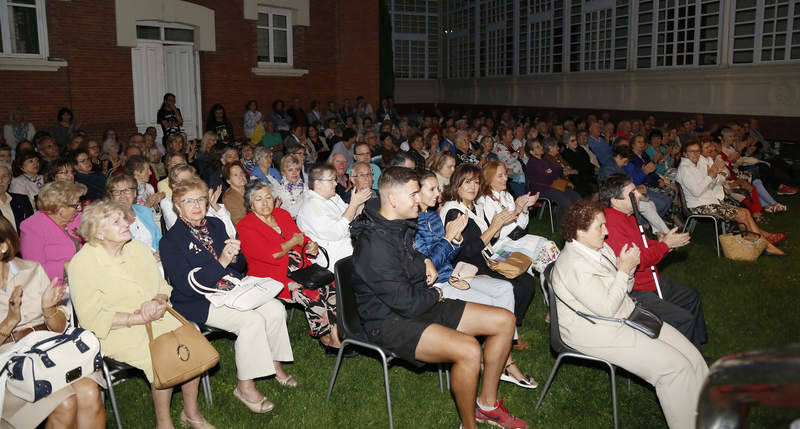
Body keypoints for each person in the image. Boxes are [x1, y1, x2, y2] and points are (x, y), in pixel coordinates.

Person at [351, 167, 528, 429]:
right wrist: (438, 291)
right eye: (413, 194)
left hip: (417, 300)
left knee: (505, 320)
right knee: (469, 349)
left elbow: (411, 258)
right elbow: (407, 304)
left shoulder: (397, 222)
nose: (419, 199)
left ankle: (487, 406)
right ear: (392, 199)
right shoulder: (374, 245)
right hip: (389, 321)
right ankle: (469, 426)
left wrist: (424, 260)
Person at [551, 200, 709, 429]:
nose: (606, 232)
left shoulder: (599, 248)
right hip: (595, 330)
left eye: (605, 224)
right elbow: (607, 308)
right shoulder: (574, 265)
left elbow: (624, 288)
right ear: (580, 231)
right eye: (600, 227)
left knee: (693, 358)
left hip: (624, 313)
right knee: (674, 370)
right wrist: (624, 270)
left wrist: (628, 270)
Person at [69, 200, 213, 429]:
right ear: (98, 232)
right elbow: (91, 318)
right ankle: (164, 423)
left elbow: (163, 287)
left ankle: (191, 412)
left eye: (123, 218)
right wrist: (137, 319)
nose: (125, 223)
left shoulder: (137, 248)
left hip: (157, 316)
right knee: (162, 358)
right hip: (115, 330)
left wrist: (157, 300)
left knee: (191, 346)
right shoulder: (82, 264)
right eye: (116, 222)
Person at [160, 178, 294, 415]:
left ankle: (275, 364)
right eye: (188, 201)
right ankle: (245, 387)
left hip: (231, 289)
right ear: (177, 206)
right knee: (251, 321)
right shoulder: (171, 241)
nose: (196, 205)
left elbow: (239, 266)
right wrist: (222, 261)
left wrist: (234, 256)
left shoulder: (215, 224)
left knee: (275, 309)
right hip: (198, 301)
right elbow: (185, 286)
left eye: (201, 199)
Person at [415, 172, 536, 389]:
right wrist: (449, 239)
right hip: (438, 285)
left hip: (455, 274)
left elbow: (450, 255)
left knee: (504, 288)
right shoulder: (415, 223)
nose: (438, 193)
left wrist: (455, 240)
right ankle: (504, 362)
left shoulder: (432, 216)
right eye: (432, 189)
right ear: (416, 193)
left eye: (437, 188)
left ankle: (502, 354)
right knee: (493, 308)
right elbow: (429, 266)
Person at [0, 216, 105, 429]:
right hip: (9, 361)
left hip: (48, 350)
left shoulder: (31, 270)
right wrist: (10, 321)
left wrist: (49, 311)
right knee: (65, 404)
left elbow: (60, 328)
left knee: (89, 392)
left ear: (3, 246)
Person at [237, 181, 350, 357]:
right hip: (274, 275)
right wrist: (294, 242)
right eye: (258, 199)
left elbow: (301, 238)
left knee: (332, 285)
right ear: (250, 204)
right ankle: (325, 338)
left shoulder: (281, 214)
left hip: (301, 268)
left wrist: (311, 246)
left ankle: (336, 333)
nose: (265, 203)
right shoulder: (245, 226)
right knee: (312, 293)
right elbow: (273, 255)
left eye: (268, 197)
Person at [600, 174, 708, 350]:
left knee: (691, 296)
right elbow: (638, 259)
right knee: (683, 320)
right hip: (635, 290)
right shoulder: (611, 224)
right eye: (632, 193)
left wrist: (662, 243)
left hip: (651, 281)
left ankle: (697, 347)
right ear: (615, 200)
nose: (639, 195)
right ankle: (683, 360)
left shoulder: (628, 216)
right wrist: (665, 246)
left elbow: (642, 244)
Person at [440, 164, 537, 331]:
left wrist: (499, 226)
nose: (473, 187)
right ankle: (506, 329)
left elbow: (490, 239)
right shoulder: (454, 212)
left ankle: (511, 325)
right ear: (457, 184)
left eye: (476, 182)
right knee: (516, 286)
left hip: (486, 257)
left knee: (527, 280)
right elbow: (466, 252)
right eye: (467, 182)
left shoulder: (475, 207)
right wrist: (493, 227)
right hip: (467, 267)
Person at [676, 139, 786, 256]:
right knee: (742, 214)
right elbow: (697, 192)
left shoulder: (694, 165)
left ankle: (756, 244)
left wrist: (714, 174)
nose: (696, 154)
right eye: (692, 151)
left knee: (745, 212)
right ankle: (764, 246)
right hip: (699, 207)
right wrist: (711, 176)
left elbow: (711, 184)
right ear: (685, 154)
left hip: (709, 202)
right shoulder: (685, 169)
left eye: (697, 151)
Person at [478, 161, 560, 275]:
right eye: (500, 176)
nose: (506, 178)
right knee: (540, 255)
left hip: (515, 240)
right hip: (499, 249)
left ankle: (555, 278)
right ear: (489, 179)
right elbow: (498, 235)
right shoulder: (484, 202)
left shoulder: (506, 196)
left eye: (505, 174)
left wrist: (524, 208)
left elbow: (520, 226)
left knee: (549, 246)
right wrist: (517, 210)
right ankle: (552, 279)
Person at [296, 164, 370, 270]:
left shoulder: (333, 197)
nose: (335, 183)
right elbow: (337, 232)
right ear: (318, 184)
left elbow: (353, 217)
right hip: (336, 260)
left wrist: (360, 201)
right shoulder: (311, 207)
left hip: (351, 249)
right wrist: (354, 204)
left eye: (335, 180)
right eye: (331, 180)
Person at [19, 181, 87, 284]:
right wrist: (65, 266)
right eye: (75, 206)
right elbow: (33, 269)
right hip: (57, 286)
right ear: (59, 209)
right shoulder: (32, 227)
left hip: (85, 278)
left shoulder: (77, 218)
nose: (80, 208)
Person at [160, 164, 236, 237]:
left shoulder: (202, 199)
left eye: (190, 181)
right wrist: (206, 206)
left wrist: (215, 206)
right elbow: (179, 233)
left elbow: (231, 233)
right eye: (182, 181)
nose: (187, 185)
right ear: (173, 185)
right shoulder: (168, 202)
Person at [524, 139, 580, 228]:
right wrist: (552, 172)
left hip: (553, 186)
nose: (541, 147)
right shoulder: (532, 163)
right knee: (566, 202)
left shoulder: (544, 159)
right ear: (531, 152)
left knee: (576, 197)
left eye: (540, 145)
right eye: (537, 147)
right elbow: (546, 178)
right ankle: (561, 227)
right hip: (540, 190)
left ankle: (576, 222)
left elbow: (559, 169)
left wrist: (551, 171)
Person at [107, 174, 162, 253]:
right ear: (111, 196)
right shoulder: (110, 220)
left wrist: (161, 252)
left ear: (135, 193)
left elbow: (159, 238)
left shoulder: (144, 211)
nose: (122, 195)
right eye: (116, 192)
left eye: (126, 190)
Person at [268, 155, 307, 219]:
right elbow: (290, 213)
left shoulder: (304, 186)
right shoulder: (280, 190)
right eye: (290, 170)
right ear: (283, 172)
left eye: (297, 169)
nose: (294, 173)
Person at [0, 163, 34, 230]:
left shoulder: (22, 200)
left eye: (5, 176)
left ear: (9, 180)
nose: (0, 180)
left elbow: (32, 227)